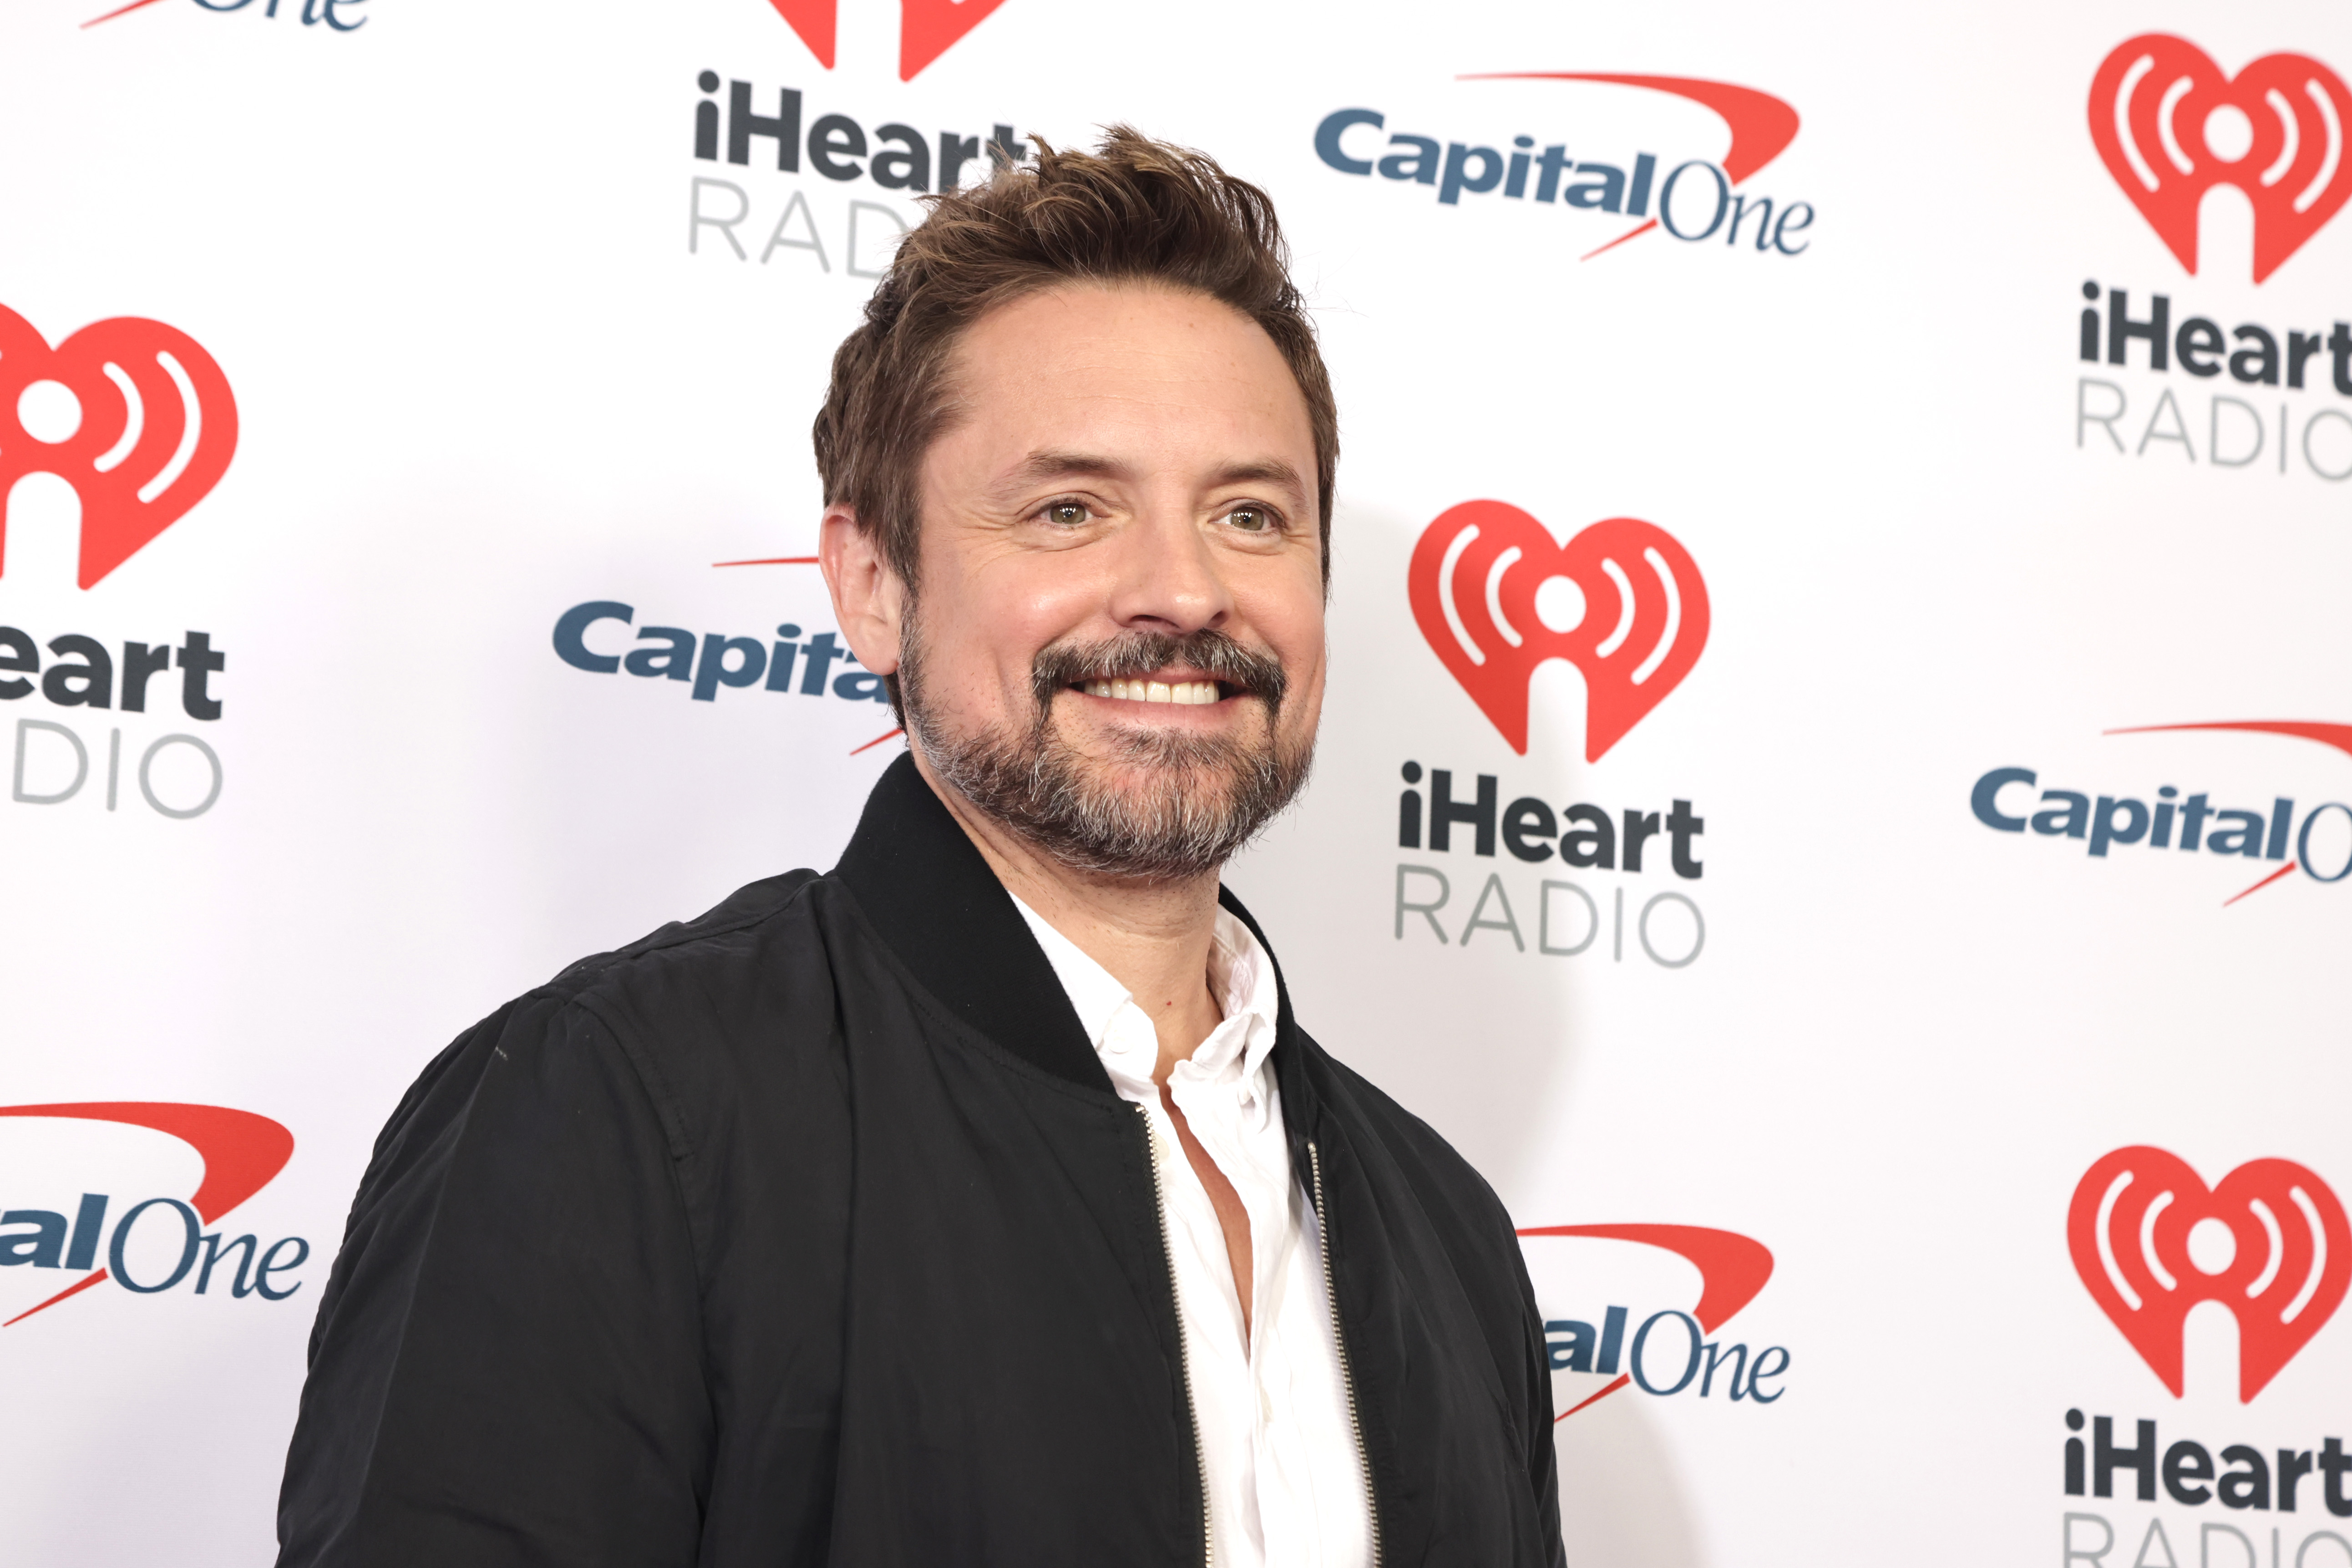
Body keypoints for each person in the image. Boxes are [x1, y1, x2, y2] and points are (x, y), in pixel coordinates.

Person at [275, 128, 1562, 1568]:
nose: (1184, 589)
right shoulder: (619, 1113)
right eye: (1069, 508)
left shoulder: (1445, 1233)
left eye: (1249, 515)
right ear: (874, 587)